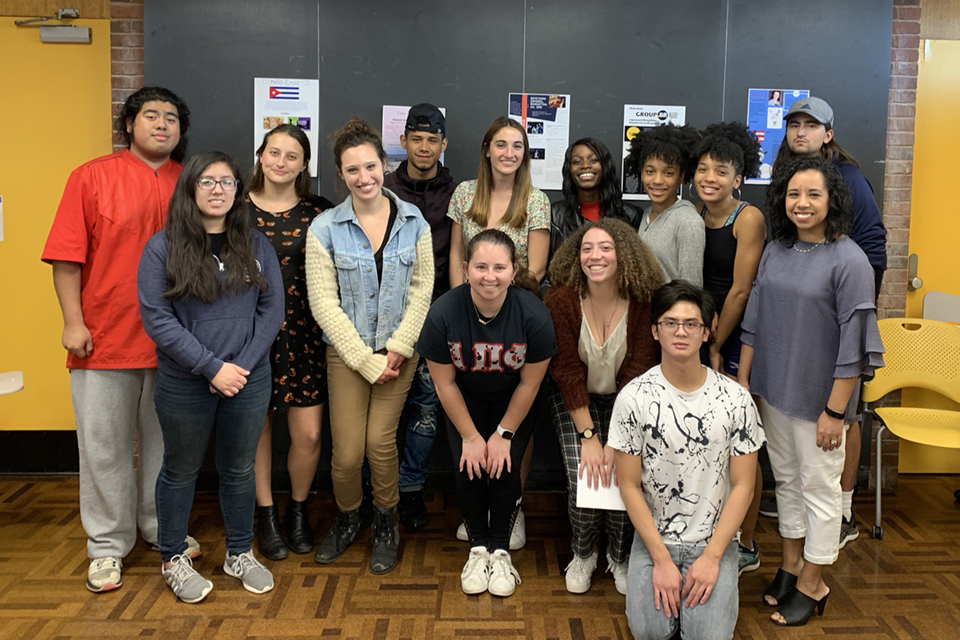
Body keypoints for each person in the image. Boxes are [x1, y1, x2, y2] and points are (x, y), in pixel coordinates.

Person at [41, 86, 200, 593]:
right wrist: (73, 322)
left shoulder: (192, 182)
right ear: (129, 124)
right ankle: (107, 545)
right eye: (150, 115)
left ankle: (159, 529)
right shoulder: (91, 178)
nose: (161, 125)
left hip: (176, 343)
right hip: (103, 338)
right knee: (104, 448)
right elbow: (67, 258)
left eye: (171, 118)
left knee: (166, 447)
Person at [739, 156, 884, 626]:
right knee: (787, 485)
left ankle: (813, 581)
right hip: (773, 393)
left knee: (820, 491)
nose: (802, 204)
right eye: (794, 194)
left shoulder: (850, 260)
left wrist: (835, 412)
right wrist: (746, 384)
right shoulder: (778, 249)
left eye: (813, 194)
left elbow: (855, 347)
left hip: (820, 403)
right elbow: (755, 321)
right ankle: (790, 563)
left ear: (832, 200)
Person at [137, 151, 285, 603]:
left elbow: (272, 310)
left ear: (239, 191)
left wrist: (240, 367)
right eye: (207, 181)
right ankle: (173, 558)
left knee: (239, 469)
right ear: (190, 190)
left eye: (226, 181)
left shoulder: (255, 244)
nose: (218, 189)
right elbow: (157, 319)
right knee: (180, 470)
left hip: (247, 377)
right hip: (186, 380)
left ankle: (239, 552)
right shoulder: (162, 247)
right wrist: (211, 367)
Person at [305, 117, 433, 575]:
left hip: (399, 353)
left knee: (380, 444)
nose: (364, 178)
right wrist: (363, 359)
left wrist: (398, 347)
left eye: (371, 166)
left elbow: (423, 288)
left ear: (385, 164)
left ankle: (386, 522)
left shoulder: (414, 221)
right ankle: (347, 517)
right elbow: (323, 301)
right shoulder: (324, 228)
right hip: (347, 355)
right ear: (340, 174)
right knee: (346, 454)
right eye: (352, 170)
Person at [610, 280, 763, 640]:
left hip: (713, 541)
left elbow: (744, 485)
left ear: (707, 332)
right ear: (654, 331)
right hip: (654, 540)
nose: (681, 332)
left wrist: (711, 559)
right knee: (649, 632)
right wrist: (661, 560)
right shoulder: (634, 397)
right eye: (670, 323)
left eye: (692, 324)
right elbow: (629, 485)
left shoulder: (735, 399)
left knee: (707, 636)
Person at [770, 96, 888, 546]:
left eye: (810, 125)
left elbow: (873, 247)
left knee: (844, 417)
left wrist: (851, 315)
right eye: (794, 124)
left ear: (828, 133)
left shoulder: (850, 178)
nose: (800, 132)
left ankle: (842, 510)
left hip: (838, 322)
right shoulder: (786, 173)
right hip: (801, 321)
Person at [418, 230, 556, 597]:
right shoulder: (443, 312)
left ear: (514, 271)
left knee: (505, 468)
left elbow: (530, 385)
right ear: (465, 269)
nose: (489, 276)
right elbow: (445, 384)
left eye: (499, 267)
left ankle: (501, 551)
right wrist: (472, 437)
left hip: (515, 401)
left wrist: (503, 435)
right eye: (480, 266)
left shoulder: (534, 315)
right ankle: (478, 548)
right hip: (465, 401)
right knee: (470, 467)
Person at [543, 218, 662, 595]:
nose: (595, 256)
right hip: (575, 397)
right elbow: (566, 371)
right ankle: (582, 553)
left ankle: (620, 555)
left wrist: (616, 439)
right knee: (585, 467)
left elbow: (638, 369)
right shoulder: (560, 299)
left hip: (628, 398)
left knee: (624, 468)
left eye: (605, 248)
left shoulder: (643, 301)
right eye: (587, 249)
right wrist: (590, 437)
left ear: (623, 253)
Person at [447, 116, 551, 547]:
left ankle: (513, 507)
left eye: (517, 146)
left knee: (515, 420)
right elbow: (456, 257)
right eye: (501, 144)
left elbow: (538, 268)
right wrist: (464, 307)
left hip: (516, 321)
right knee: (472, 414)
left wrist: (499, 302)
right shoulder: (464, 194)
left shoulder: (537, 200)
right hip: (467, 319)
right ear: (487, 149)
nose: (509, 153)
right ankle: (477, 509)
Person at [245, 125, 335, 561]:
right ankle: (265, 514)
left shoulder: (321, 211)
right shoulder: (234, 210)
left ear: (304, 165)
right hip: (247, 336)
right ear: (260, 155)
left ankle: (297, 510)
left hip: (304, 335)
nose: (281, 162)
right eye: (274, 152)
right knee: (256, 428)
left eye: (292, 156)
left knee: (310, 434)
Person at [692, 122, 767, 575]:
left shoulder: (749, 218)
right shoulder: (692, 212)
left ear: (738, 177)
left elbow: (740, 291)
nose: (710, 177)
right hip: (700, 331)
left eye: (721, 170)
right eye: (703, 169)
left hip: (734, 335)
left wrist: (716, 344)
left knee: (742, 444)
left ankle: (747, 542)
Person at [383, 104, 457, 530]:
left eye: (433, 139)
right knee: (383, 412)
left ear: (443, 144)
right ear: (405, 141)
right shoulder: (384, 189)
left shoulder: (459, 193)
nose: (425, 147)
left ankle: (410, 489)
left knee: (426, 408)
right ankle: (379, 492)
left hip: (437, 321)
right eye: (417, 138)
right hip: (387, 320)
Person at [626, 124, 705, 285]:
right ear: (641, 173)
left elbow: (692, 286)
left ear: (681, 176)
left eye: (668, 173)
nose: (657, 180)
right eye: (650, 171)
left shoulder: (688, 221)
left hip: (670, 310)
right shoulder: (646, 215)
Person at [549, 138, 641, 257]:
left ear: (605, 167)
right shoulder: (554, 215)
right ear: (569, 170)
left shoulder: (632, 215)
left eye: (593, 160)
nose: (585, 165)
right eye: (577, 161)